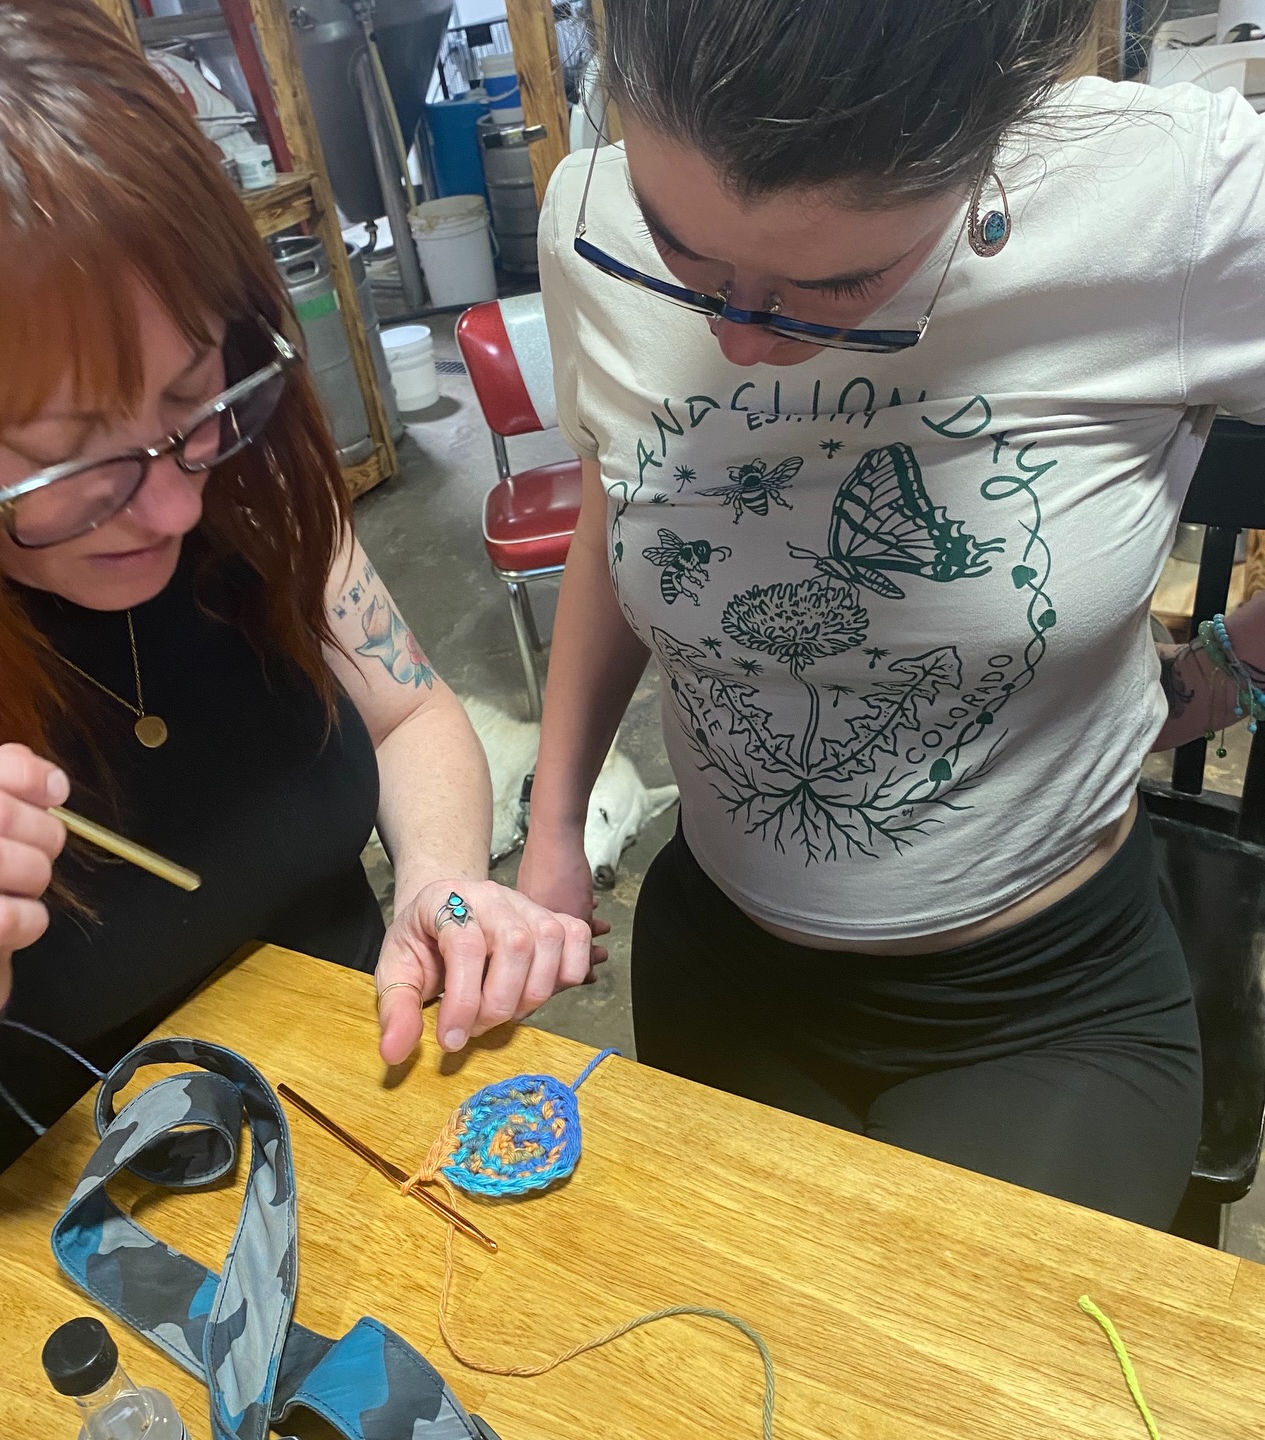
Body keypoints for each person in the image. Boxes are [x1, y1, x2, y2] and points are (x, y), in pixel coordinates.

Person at [0, 0, 596, 1268]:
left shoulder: (241, 479)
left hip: (362, 1136)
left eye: (194, 398)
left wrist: (444, 881)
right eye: (68, 462)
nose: (177, 500)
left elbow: (410, 712)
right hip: (65, 1261)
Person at [520, 0, 1265, 1228]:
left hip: (1045, 1003)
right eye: (679, 253)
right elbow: (627, 493)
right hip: (721, 957)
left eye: (837, 283)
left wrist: (1226, 668)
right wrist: (554, 828)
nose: (736, 340)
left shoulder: (1173, 203)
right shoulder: (584, 215)